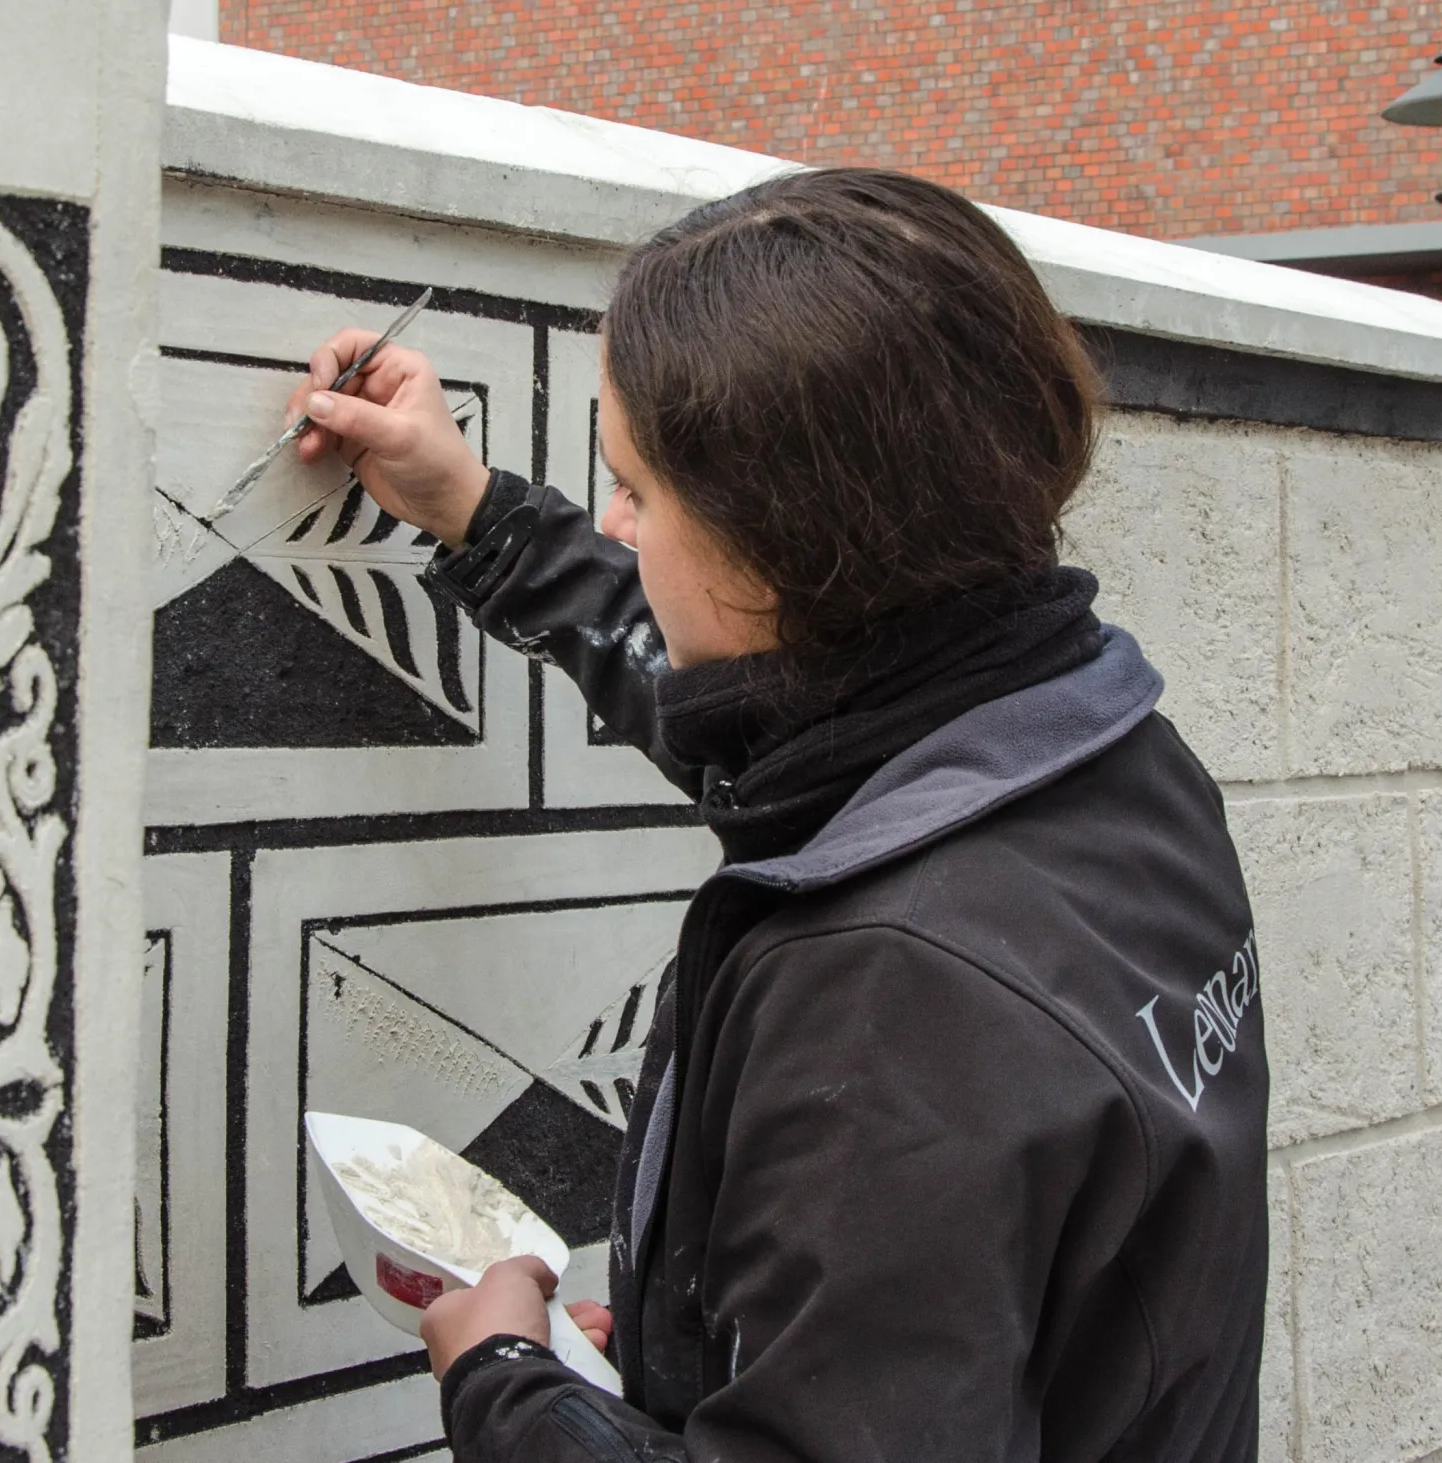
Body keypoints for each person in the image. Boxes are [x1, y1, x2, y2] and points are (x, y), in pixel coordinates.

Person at [285, 166, 1269, 1463]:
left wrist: (505, 1371)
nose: (617, 522)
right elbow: (791, 743)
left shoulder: (892, 993)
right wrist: (476, 515)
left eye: (636, 483)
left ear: (788, 541)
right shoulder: (1101, 750)